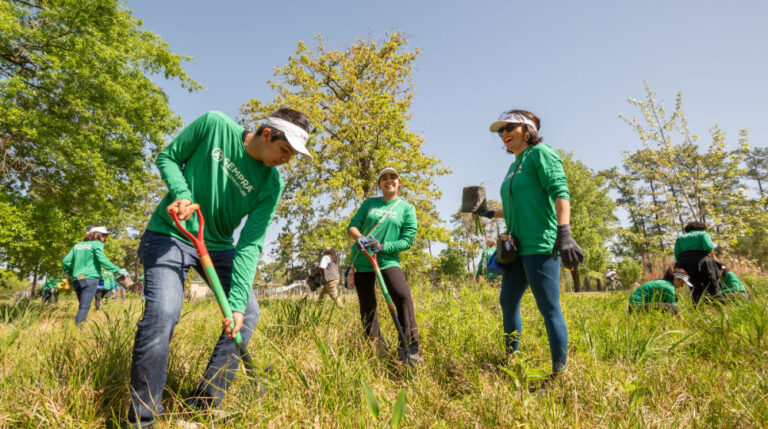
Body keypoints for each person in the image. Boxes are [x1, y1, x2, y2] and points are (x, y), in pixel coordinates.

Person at [126, 108, 311, 428]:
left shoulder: (271, 184)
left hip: (218, 246)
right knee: (163, 313)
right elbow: (168, 157)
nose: (286, 161)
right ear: (267, 134)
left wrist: (237, 304)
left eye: (292, 155)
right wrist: (182, 194)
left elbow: (251, 244)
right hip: (170, 232)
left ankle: (202, 406)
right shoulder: (214, 126)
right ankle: (143, 419)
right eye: (285, 151)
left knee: (248, 312)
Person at [479, 109, 583, 380]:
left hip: (541, 245)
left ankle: (558, 373)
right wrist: (493, 213)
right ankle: (510, 359)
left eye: (509, 127)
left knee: (548, 307)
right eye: (501, 131)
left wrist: (565, 232)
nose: (503, 134)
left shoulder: (541, 153)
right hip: (516, 249)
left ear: (528, 130)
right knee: (507, 301)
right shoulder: (515, 164)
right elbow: (521, 203)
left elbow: (560, 191)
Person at [348, 167, 419, 366]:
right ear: (379, 184)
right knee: (368, 307)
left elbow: (407, 240)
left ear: (399, 182)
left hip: (387, 260)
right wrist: (360, 238)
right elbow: (352, 226)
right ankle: (376, 348)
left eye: (393, 177)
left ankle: (409, 349)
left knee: (403, 298)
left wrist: (384, 246)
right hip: (363, 261)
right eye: (384, 178)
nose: (389, 180)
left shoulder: (406, 208)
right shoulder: (370, 204)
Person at [62, 226, 127, 325]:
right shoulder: (97, 244)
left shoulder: (77, 245)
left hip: (77, 279)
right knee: (84, 307)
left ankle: (78, 326)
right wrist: (117, 270)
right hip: (90, 278)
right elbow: (103, 260)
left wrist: (72, 273)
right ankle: (79, 328)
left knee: (82, 306)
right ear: (98, 234)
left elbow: (65, 261)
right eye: (104, 235)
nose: (105, 238)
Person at [674, 221, 720, 305]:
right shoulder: (703, 234)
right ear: (701, 228)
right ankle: (717, 306)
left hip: (684, 263)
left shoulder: (680, 238)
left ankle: (697, 307)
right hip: (702, 261)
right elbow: (709, 247)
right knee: (711, 284)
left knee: (694, 287)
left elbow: (677, 254)